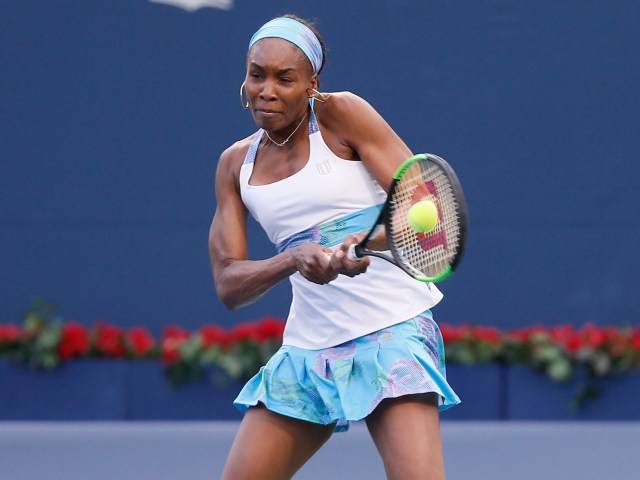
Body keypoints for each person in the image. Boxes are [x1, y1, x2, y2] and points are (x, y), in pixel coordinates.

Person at [209, 14, 460, 480]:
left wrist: (359, 243)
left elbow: (426, 208)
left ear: (311, 84)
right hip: (308, 348)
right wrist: (290, 259)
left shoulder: (340, 114)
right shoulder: (233, 166)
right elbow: (228, 284)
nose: (267, 89)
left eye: (285, 78)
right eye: (257, 74)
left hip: (393, 330)